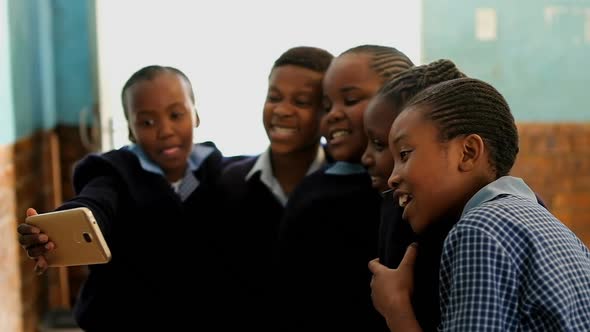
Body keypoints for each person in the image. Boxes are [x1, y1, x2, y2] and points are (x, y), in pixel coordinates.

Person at [369, 77, 590, 331]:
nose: (392, 177)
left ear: (468, 152)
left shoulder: (478, 230)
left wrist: (396, 309)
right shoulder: (550, 225)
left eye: (405, 154)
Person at [17, 65, 227, 331]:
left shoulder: (214, 169)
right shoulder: (115, 172)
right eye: (147, 122)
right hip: (121, 318)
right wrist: (58, 228)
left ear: (195, 115)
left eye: (176, 114)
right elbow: (96, 203)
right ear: (130, 130)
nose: (165, 131)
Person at [276, 45, 413, 331]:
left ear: (404, 102)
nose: (333, 115)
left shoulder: (420, 190)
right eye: (326, 106)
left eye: (349, 100)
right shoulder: (317, 196)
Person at [215, 46, 334, 331]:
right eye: (274, 97)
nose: (281, 110)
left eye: (302, 101)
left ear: (326, 111)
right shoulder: (230, 183)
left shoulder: (345, 184)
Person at [361, 59, 465, 331]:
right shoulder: (397, 209)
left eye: (378, 144)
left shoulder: (477, 231)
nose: (365, 157)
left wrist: (396, 308)